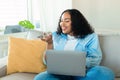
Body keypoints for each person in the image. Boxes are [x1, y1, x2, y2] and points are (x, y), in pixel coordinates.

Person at [34, 9, 115, 80]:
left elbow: (95, 59)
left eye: (66, 21)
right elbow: (47, 62)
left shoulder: (91, 37)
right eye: (61, 20)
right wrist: (50, 43)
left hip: (84, 73)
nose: (62, 24)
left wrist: (74, 64)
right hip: (61, 74)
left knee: (105, 73)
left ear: (77, 22)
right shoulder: (55, 35)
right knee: (40, 78)